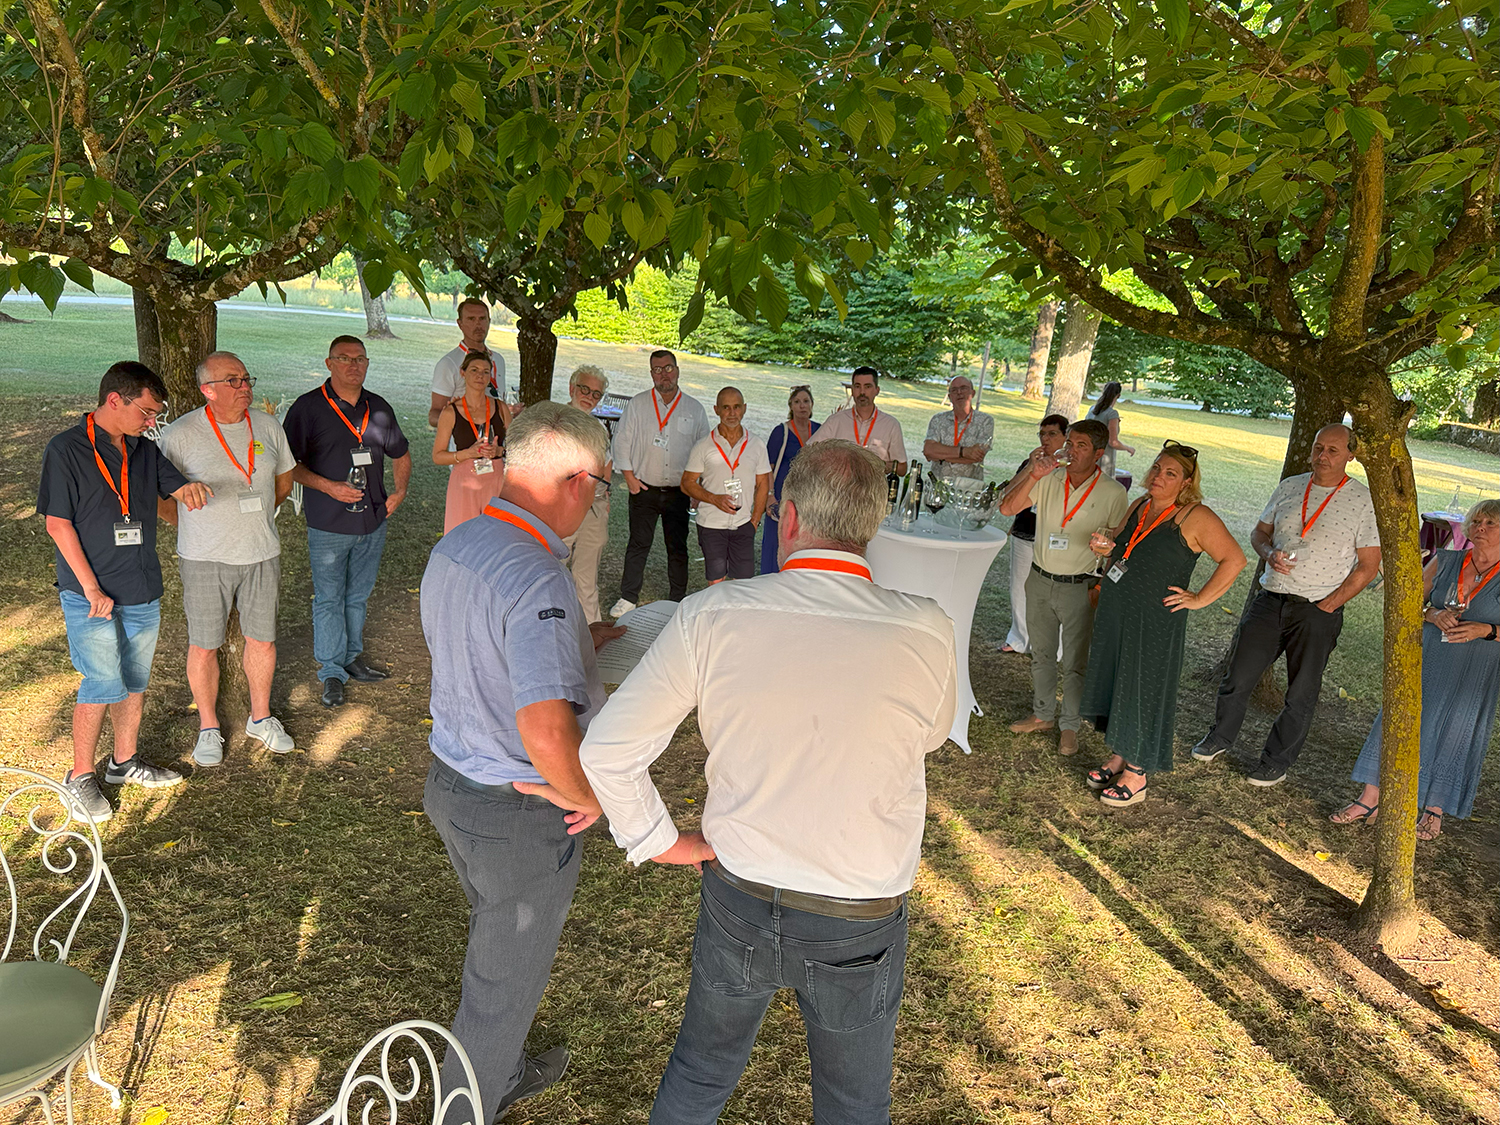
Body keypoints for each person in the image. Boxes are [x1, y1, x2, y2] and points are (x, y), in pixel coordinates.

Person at [576, 439, 958, 1125]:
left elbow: (608, 748)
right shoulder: (928, 627)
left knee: (701, 1070)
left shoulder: (712, 612)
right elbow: (928, 735)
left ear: (789, 516)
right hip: (858, 905)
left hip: (742, 887)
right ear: (871, 524)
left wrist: (658, 840)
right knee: (854, 1101)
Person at [420, 402, 623, 1124]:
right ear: (576, 481)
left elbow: (479, 651)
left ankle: (498, 1069)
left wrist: (580, 642)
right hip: (516, 811)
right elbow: (543, 728)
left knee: (496, 942)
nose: (596, 502)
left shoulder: (460, 542)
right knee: (501, 987)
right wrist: (590, 797)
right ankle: (465, 1106)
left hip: (452, 781)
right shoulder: (538, 577)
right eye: (599, 486)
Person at [37, 362, 211, 821]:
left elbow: (177, 489)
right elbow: (58, 524)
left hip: (141, 587)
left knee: (134, 680)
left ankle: (123, 762)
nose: (152, 421)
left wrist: (193, 489)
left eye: (156, 414)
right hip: (90, 593)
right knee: (101, 681)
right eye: (147, 411)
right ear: (115, 399)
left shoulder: (144, 450)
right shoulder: (66, 449)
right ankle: (79, 776)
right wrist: (91, 587)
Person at [1191, 424, 1381, 786]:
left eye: (1333, 451)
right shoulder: (1291, 486)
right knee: (1238, 676)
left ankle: (1275, 761)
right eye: (1318, 448)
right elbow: (1258, 533)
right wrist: (1268, 553)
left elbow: (1368, 566)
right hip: (1271, 600)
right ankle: (1220, 737)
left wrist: (1329, 605)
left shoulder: (1362, 500)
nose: (1323, 456)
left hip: (1317, 609)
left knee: (1300, 693)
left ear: (1350, 456)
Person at [1078, 443, 1246, 806]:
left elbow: (1234, 559)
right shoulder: (1141, 504)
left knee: (1144, 688)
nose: (1158, 476)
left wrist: (1199, 598)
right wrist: (1106, 549)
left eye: (1170, 473)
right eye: (1157, 468)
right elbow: (1122, 545)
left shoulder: (1195, 517)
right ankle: (1119, 754)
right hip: (1118, 609)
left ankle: (1137, 772)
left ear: (1186, 482)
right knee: (1119, 680)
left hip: (1155, 619)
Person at [157, 352, 297, 767]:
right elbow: (161, 498)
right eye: (232, 380)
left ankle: (260, 718)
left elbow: (283, 482)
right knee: (204, 645)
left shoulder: (267, 426)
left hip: (261, 552)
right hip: (204, 557)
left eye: (246, 378)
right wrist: (193, 527)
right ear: (208, 390)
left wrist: (254, 516)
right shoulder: (181, 434)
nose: (244, 387)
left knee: (263, 640)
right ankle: (208, 727)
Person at [1333, 499, 1500, 839]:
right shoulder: (1447, 560)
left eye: (1491, 523)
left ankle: (1433, 809)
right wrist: (1432, 614)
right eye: (1476, 521)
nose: (1480, 528)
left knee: (1455, 731)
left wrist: (1487, 630)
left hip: (1476, 669)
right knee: (1400, 716)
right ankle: (1370, 799)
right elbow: (1407, 601)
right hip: (1429, 656)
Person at [284, 335, 412, 709]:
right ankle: (331, 671)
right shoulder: (308, 408)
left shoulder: (379, 408)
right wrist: (329, 487)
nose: (353, 365)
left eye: (360, 359)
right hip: (328, 522)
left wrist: (400, 491)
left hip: (372, 520)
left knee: (357, 595)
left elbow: (401, 454)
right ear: (329, 363)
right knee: (329, 598)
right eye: (344, 358)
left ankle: (352, 657)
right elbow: (288, 465)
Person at [999, 418, 1129, 756]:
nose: (1071, 450)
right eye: (1069, 443)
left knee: (1075, 662)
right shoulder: (1049, 477)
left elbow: (1119, 545)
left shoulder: (1114, 493)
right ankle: (1042, 714)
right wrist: (1033, 474)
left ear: (1098, 453)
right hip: (1040, 579)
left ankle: (1069, 725)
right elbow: (1007, 508)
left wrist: (1107, 550)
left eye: (1081, 446)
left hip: (1079, 586)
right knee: (1041, 654)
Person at [610, 350, 711, 617]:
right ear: (651, 374)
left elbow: (704, 450)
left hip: (679, 491)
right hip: (643, 488)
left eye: (668, 368)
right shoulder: (638, 404)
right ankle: (628, 597)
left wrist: (697, 487)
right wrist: (629, 477)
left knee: (677, 547)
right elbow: (622, 440)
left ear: (677, 370)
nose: (664, 374)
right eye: (657, 370)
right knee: (638, 544)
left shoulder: (694, 409)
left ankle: (677, 600)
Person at [682, 387, 771, 584]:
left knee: (743, 583)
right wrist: (714, 499)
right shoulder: (704, 446)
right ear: (716, 410)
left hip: (743, 524)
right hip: (711, 524)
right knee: (716, 582)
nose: (732, 413)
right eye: (726, 407)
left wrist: (754, 521)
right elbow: (686, 483)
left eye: (736, 407)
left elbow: (763, 484)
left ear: (744, 408)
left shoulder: (756, 445)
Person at [999, 414, 1069, 653]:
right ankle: (1019, 638)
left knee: (1052, 593)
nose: (1045, 439)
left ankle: (1052, 645)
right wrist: (1030, 467)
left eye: (1052, 434)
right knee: (1019, 588)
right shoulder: (1031, 462)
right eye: (1042, 434)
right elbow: (1008, 493)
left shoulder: (1069, 468)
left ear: (1065, 437)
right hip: (1025, 532)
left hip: (1054, 538)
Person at [431, 349, 506, 534]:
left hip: (496, 481)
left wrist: (499, 452)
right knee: (463, 537)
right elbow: (438, 456)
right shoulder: (451, 412)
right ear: (462, 373)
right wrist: (468, 454)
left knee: (495, 537)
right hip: (464, 482)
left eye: (485, 371)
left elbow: (517, 449)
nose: (480, 375)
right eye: (474, 370)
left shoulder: (501, 407)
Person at [561, 365, 613, 622]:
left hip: (594, 507)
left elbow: (607, 465)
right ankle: (552, 628)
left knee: (587, 578)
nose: (589, 397)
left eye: (596, 394)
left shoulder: (599, 428)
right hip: (562, 506)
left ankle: (592, 633)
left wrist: (605, 497)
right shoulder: (554, 420)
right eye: (584, 389)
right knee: (554, 571)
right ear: (572, 388)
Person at [760, 384, 821, 575]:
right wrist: (770, 496)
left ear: (812, 405)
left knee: (802, 545)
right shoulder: (781, 432)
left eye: (806, 401)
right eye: (797, 402)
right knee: (775, 544)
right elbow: (767, 468)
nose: (802, 406)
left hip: (809, 501)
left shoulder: (819, 430)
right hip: (781, 499)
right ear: (791, 406)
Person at [807, 366, 908, 474]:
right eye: (857, 386)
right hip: (840, 483)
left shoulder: (891, 425)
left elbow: (902, 469)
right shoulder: (836, 421)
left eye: (867, 386)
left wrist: (881, 465)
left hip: (874, 483)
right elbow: (808, 452)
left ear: (877, 390)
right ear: (852, 390)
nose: (862, 392)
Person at [429, 297, 506, 427]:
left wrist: (509, 413)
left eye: (482, 318)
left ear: (489, 321)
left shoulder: (498, 359)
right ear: (460, 324)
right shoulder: (448, 364)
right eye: (471, 319)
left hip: (496, 438)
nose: (478, 324)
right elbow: (433, 416)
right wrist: (459, 420)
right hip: (464, 439)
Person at [922, 375, 993, 482]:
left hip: (969, 487)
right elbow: (928, 450)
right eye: (954, 390)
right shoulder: (938, 419)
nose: (959, 392)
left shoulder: (985, 421)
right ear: (950, 396)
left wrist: (941, 456)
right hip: (938, 485)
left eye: (963, 388)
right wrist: (964, 452)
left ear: (972, 393)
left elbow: (976, 456)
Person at [1084, 381, 1134, 480]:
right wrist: (1128, 448)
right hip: (1103, 459)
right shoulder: (1112, 414)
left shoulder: (1092, 410)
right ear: (1118, 395)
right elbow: (1113, 442)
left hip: (1089, 456)